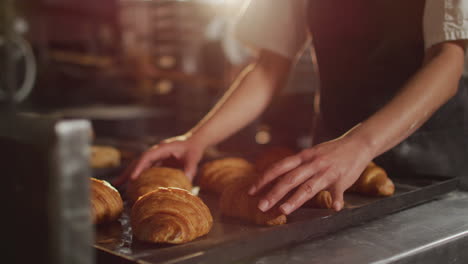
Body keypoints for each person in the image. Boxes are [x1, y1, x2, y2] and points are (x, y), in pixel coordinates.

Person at [117, 0, 468, 215]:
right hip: (328, 166)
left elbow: (448, 59)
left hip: (434, 167)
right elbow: (271, 65)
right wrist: (197, 138)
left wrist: (358, 145)